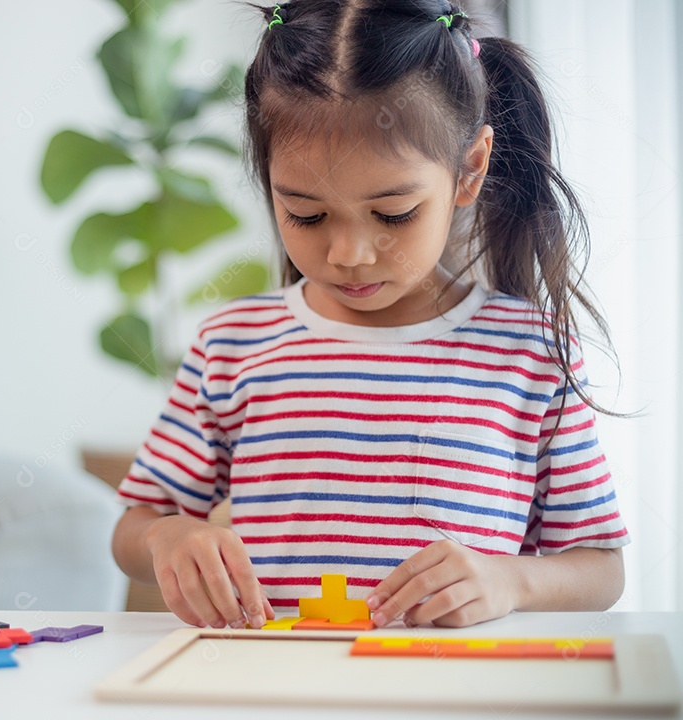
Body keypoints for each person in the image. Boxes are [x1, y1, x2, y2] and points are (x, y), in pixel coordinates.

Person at [110, 0, 629, 630]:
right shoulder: (233, 344)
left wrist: (510, 579)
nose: (348, 254)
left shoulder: (529, 354)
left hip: (452, 692)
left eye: (392, 214)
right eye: (306, 214)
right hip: (272, 688)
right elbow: (136, 527)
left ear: (469, 170)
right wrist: (170, 540)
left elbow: (600, 569)